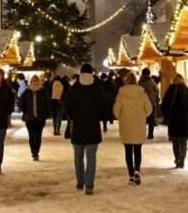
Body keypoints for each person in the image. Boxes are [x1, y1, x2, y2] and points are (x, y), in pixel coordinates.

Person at [64, 63, 107, 195]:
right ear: (92, 73)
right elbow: (104, 107)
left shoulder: (74, 88)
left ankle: (80, 181)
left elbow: (67, 107)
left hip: (78, 128)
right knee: (91, 158)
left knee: (78, 157)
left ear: (81, 73)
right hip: (93, 128)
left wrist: (73, 117)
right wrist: (98, 117)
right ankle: (89, 186)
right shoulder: (98, 88)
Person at [112, 71, 152, 185]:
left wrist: (121, 117)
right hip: (139, 125)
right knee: (138, 150)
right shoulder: (142, 94)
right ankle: (137, 171)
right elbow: (149, 109)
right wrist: (143, 115)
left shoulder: (121, 94)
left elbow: (116, 110)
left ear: (126, 81)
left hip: (126, 125)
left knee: (128, 151)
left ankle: (131, 175)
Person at [161, 73, 188, 169]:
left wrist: (166, 115)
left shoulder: (170, 90)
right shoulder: (186, 90)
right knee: (184, 141)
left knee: (175, 141)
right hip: (185, 119)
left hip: (173, 119)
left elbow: (164, 104)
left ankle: (177, 159)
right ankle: (182, 161)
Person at [19, 74, 50, 160]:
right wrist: (25, 112)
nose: (35, 82)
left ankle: (37, 152)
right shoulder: (27, 91)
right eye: (33, 81)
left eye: (36, 81)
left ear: (39, 81)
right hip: (29, 118)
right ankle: (33, 151)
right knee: (31, 136)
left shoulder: (43, 91)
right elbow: (21, 103)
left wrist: (46, 114)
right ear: (31, 82)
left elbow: (47, 103)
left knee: (38, 135)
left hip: (40, 118)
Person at [138, 68, 160, 140]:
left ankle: (141, 133)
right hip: (151, 103)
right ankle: (150, 135)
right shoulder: (151, 81)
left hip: (141, 103)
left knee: (142, 119)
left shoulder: (139, 82)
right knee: (151, 119)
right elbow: (157, 90)